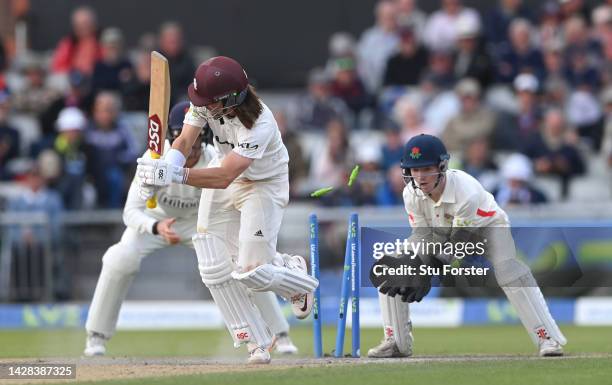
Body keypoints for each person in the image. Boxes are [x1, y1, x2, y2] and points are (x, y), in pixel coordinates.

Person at [136, 57, 318, 364]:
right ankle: (255, 342)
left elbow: (224, 177)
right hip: (227, 172)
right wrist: (166, 166)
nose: (201, 106)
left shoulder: (260, 124)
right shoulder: (206, 104)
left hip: (262, 185)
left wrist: (177, 176)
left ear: (229, 99)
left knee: (252, 272)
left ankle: (296, 276)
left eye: (208, 101)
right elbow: (183, 141)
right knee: (210, 261)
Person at [85, 101, 299, 357]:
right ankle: (96, 336)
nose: (190, 155)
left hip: (198, 221)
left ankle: (279, 334)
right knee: (119, 259)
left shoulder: (213, 159)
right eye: (188, 146)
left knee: (243, 263)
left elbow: (230, 191)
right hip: (157, 219)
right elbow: (130, 212)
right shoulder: (153, 159)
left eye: (197, 146)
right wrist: (154, 224)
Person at [368, 134, 566, 358]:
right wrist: (412, 264)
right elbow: (422, 235)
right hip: (442, 230)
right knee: (395, 266)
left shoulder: (466, 191)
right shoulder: (410, 193)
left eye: (426, 169)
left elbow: (458, 245)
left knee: (509, 272)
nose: (420, 177)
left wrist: (429, 271)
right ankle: (396, 341)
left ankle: (546, 338)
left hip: (488, 229)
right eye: (414, 170)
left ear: (442, 166)